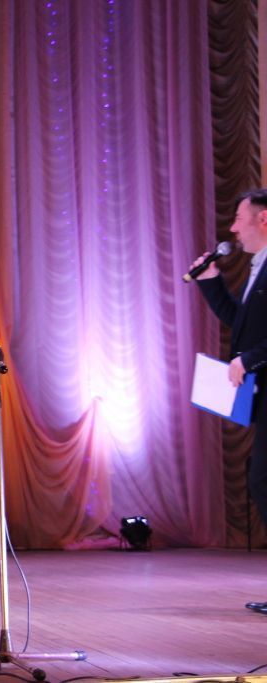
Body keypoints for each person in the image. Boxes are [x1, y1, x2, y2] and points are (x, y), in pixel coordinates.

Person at [190, 189, 267, 615]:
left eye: (239, 219)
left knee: (262, 481)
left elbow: (254, 344)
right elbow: (244, 325)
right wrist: (211, 282)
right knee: (261, 481)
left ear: (263, 219)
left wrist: (249, 359)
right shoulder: (259, 266)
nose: (233, 229)